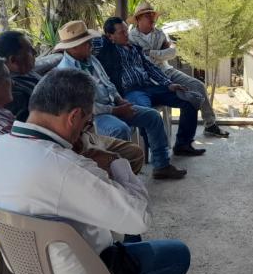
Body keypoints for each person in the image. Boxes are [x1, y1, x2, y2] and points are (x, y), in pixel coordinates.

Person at [0, 69, 190, 274]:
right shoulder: (67, 167)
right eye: (87, 121)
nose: (86, 129)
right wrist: (115, 162)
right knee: (177, 253)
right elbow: (139, 217)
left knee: (125, 230)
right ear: (74, 116)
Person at [0, 30, 145, 174]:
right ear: (13, 60)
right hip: (65, 144)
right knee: (122, 159)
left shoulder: (30, 74)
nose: (36, 53)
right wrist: (79, 145)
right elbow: (38, 139)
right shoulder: (12, 94)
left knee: (134, 153)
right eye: (30, 51)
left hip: (80, 131)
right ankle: (110, 194)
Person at [54, 20, 188, 180]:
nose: (91, 44)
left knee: (152, 116)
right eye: (87, 42)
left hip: (113, 106)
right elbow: (86, 108)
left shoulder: (91, 60)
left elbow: (108, 83)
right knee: (120, 129)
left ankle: (161, 165)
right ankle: (122, 178)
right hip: (94, 117)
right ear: (74, 47)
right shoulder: (66, 72)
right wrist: (115, 110)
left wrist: (119, 100)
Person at [96, 16, 206, 157]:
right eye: (121, 32)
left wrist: (169, 84)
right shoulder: (106, 47)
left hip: (150, 87)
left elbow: (151, 68)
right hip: (132, 92)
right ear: (110, 36)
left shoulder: (135, 48)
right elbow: (86, 43)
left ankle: (183, 144)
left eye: (126, 30)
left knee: (190, 100)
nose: (126, 34)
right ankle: (157, 156)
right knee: (149, 115)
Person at [127, 2, 230, 138]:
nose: (152, 18)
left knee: (198, 85)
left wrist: (151, 53)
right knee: (184, 98)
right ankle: (160, 143)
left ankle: (210, 124)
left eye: (153, 15)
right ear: (139, 19)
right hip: (147, 78)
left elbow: (172, 52)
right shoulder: (131, 37)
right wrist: (160, 53)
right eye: (148, 15)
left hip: (166, 70)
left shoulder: (160, 34)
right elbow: (141, 60)